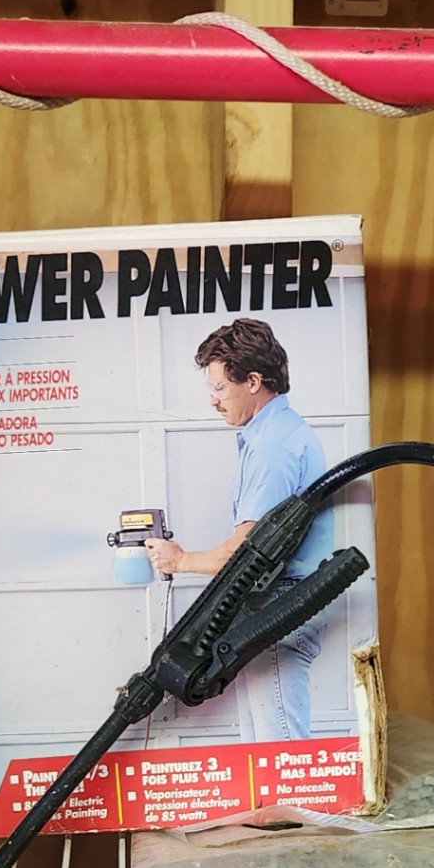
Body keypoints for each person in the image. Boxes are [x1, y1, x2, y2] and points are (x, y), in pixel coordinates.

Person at [146, 317, 333, 742]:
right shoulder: (279, 433)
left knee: (279, 748)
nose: (212, 400)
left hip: (279, 607)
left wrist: (180, 561)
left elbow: (246, 555)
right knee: (266, 749)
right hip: (280, 605)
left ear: (253, 381)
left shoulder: (271, 448)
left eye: (218, 388)